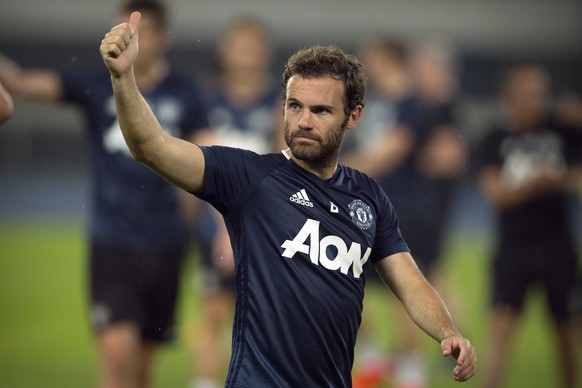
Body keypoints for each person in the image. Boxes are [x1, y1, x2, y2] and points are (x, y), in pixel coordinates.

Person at [100, 11, 477, 387]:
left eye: (321, 110)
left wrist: (448, 332)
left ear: (353, 116)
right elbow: (150, 146)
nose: (304, 121)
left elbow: (410, 282)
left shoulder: (368, 197)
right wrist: (123, 77)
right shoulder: (248, 177)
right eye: (295, 106)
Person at [0, 1, 209, 387]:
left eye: (133, 33)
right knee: (117, 354)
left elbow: (205, 160)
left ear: (163, 39)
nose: (121, 40)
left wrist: (203, 228)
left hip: (167, 240)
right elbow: (21, 84)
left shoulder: (186, 92)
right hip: (112, 238)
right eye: (116, 31)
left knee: (143, 365)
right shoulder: (96, 83)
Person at [343, 35, 466, 388]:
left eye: (371, 59)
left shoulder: (413, 102)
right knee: (346, 276)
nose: (365, 68)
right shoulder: (380, 101)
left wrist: (337, 170)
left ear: (388, 59)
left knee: (401, 288)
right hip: (373, 205)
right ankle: (376, 357)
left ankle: (410, 370)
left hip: (406, 208)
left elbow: (392, 151)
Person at [189, 15, 282, 388]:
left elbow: (283, 163)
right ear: (224, 52)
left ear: (265, 53)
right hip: (213, 225)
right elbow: (196, 169)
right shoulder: (205, 98)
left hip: (262, 225)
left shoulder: (279, 101)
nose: (245, 56)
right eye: (238, 47)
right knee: (213, 312)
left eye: (252, 48)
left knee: (263, 318)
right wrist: (219, 227)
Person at [476, 64, 582, 388]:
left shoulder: (563, 131)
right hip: (514, 248)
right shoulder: (494, 139)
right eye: (529, 93)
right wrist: (532, 185)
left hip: (558, 247)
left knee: (568, 333)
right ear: (510, 97)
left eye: (541, 93)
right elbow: (494, 192)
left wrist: (557, 178)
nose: (537, 100)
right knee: (500, 332)